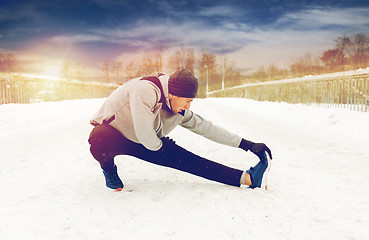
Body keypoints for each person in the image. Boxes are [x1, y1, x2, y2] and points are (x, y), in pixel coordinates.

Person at [88, 69, 272, 191]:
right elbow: (145, 134)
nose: (188, 106)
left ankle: (247, 178)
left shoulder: (179, 108)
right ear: (173, 95)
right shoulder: (145, 90)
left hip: (147, 140)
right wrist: (164, 152)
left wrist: (247, 144)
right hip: (114, 135)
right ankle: (109, 170)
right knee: (98, 138)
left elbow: (206, 127)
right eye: (188, 101)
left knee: (189, 160)